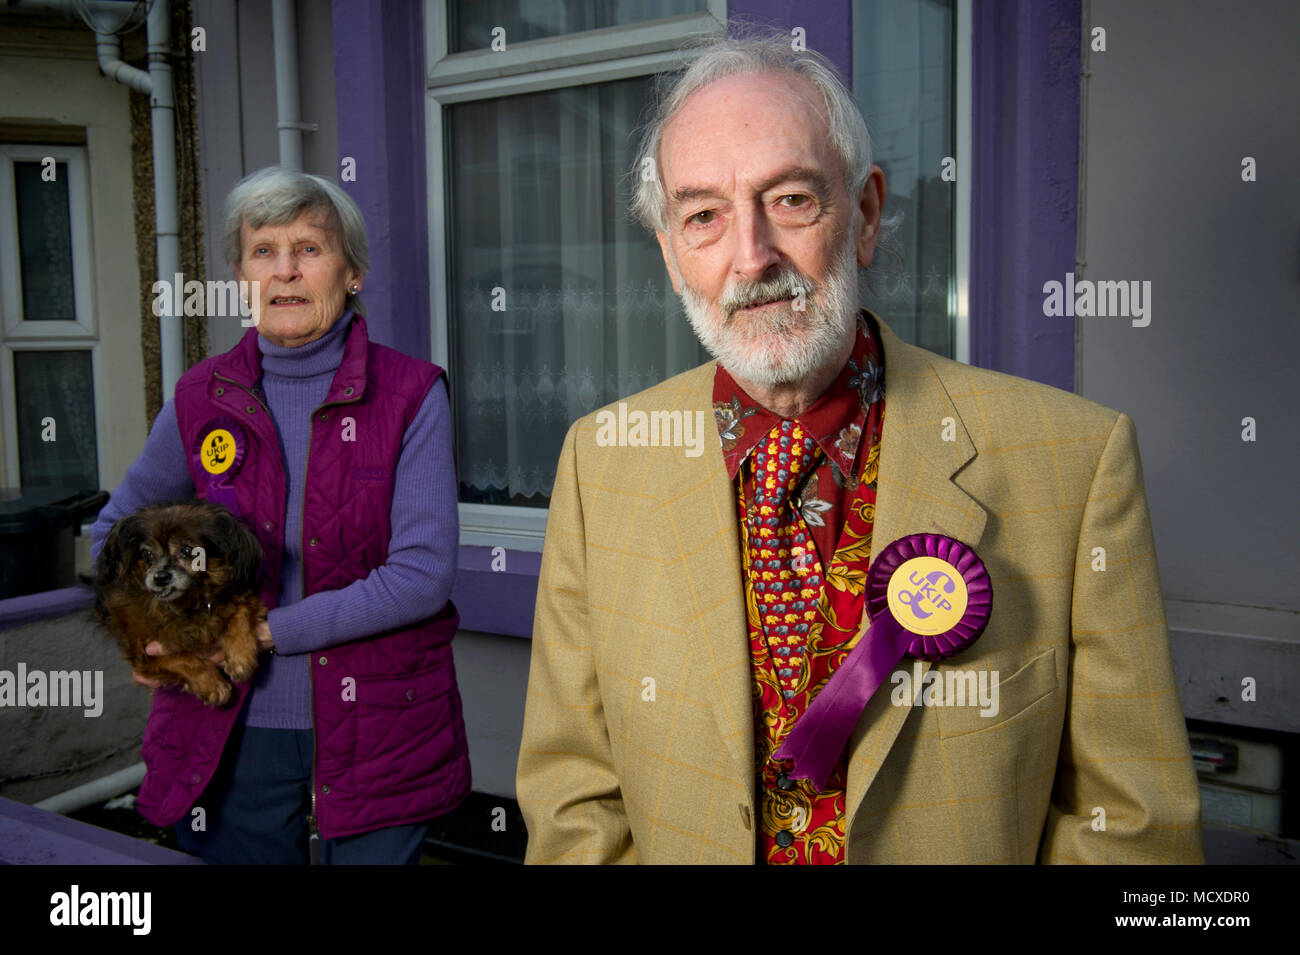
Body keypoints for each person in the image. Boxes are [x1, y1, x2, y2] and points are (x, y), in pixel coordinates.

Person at [515, 34, 1204, 864]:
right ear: (669, 254)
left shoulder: (1076, 460)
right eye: (703, 216)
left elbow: (1135, 830)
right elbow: (574, 800)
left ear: (867, 212)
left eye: (793, 199)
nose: (752, 257)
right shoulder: (601, 464)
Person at [89, 166, 469, 864]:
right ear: (241, 274)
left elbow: (422, 574)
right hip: (229, 720)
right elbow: (111, 536)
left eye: (310, 249)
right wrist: (149, 634)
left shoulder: (411, 394)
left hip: (378, 723)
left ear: (351, 271)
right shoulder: (201, 396)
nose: (285, 271)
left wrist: (263, 630)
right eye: (264, 250)